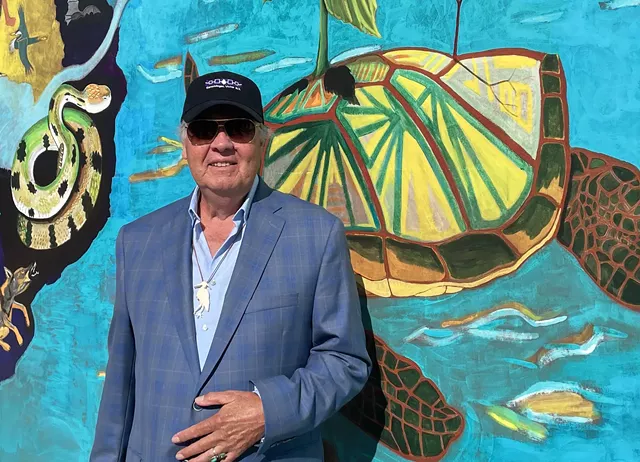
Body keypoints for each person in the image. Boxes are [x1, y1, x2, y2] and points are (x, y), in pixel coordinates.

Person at [90, 71, 371, 462]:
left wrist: (267, 411)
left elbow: (345, 360)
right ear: (185, 141)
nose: (221, 144)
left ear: (262, 139)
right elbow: (121, 380)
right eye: (205, 130)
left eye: (238, 128)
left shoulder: (316, 235)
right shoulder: (137, 242)